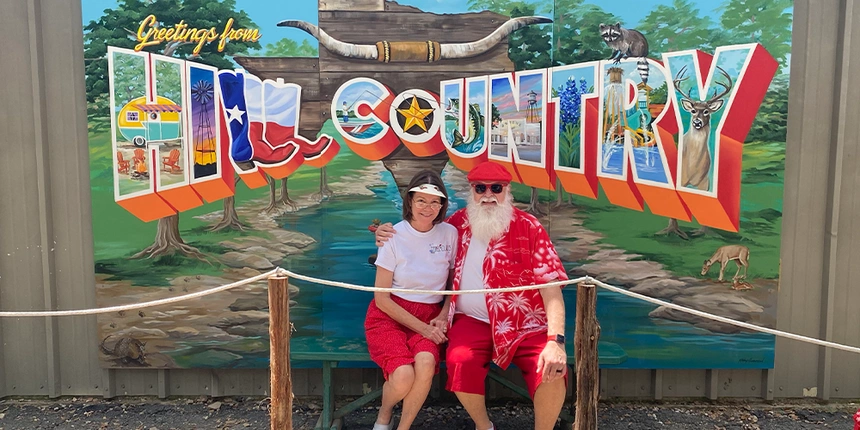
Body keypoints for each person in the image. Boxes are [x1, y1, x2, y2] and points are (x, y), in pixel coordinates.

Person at [375, 161, 569, 430]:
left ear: (507, 191)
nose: (488, 194)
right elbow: (420, 234)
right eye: (480, 188)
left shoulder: (530, 227)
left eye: (496, 188)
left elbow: (552, 288)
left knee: (548, 366)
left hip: (525, 324)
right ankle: (483, 425)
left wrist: (555, 341)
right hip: (471, 320)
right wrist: (386, 232)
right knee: (460, 360)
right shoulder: (457, 225)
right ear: (472, 191)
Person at [364, 169, 458, 430]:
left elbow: (453, 283)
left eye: (434, 202)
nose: (427, 208)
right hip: (389, 316)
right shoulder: (393, 235)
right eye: (421, 200)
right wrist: (425, 328)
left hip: (431, 314)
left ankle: (404, 427)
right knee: (404, 375)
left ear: (442, 205)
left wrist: (444, 312)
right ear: (410, 201)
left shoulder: (450, 234)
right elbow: (382, 299)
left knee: (426, 363)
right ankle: (384, 414)